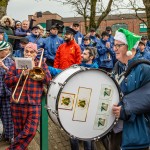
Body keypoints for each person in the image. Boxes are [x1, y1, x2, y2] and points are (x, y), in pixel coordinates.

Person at [49, 47, 98, 150]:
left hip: (88, 111)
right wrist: (47, 68)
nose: (81, 55)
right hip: (75, 107)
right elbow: (62, 73)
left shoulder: (95, 72)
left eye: (84, 54)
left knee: (87, 138)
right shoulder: (77, 68)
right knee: (73, 135)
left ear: (91, 57)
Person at [5, 42, 51, 150]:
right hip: (17, 103)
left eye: (31, 52)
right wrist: (21, 76)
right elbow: (7, 82)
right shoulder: (15, 64)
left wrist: (36, 69)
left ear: (35, 54)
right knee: (19, 134)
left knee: (31, 131)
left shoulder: (42, 65)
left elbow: (48, 80)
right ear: (23, 51)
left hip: (34, 103)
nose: (28, 54)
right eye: (27, 51)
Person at [112, 28, 150, 150]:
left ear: (130, 48)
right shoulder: (118, 65)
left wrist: (126, 108)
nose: (114, 48)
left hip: (136, 133)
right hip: (117, 130)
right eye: (114, 45)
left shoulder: (144, 68)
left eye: (119, 45)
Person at [0, 41, 14, 143]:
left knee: (8, 116)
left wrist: (4, 67)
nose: (8, 51)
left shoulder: (10, 61)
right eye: (6, 50)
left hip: (6, 93)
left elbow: (13, 75)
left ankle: (9, 136)